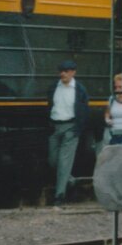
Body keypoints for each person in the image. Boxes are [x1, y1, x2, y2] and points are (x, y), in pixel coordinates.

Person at [46, 59, 89, 206]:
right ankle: (70, 180)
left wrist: (78, 129)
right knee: (53, 160)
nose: (62, 74)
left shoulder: (80, 90)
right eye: (61, 71)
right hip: (55, 127)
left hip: (71, 127)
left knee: (64, 162)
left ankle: (60, 196)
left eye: (66, 71)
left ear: (73, 72)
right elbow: (49, 105)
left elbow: (84, 110)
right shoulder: (54, 87)